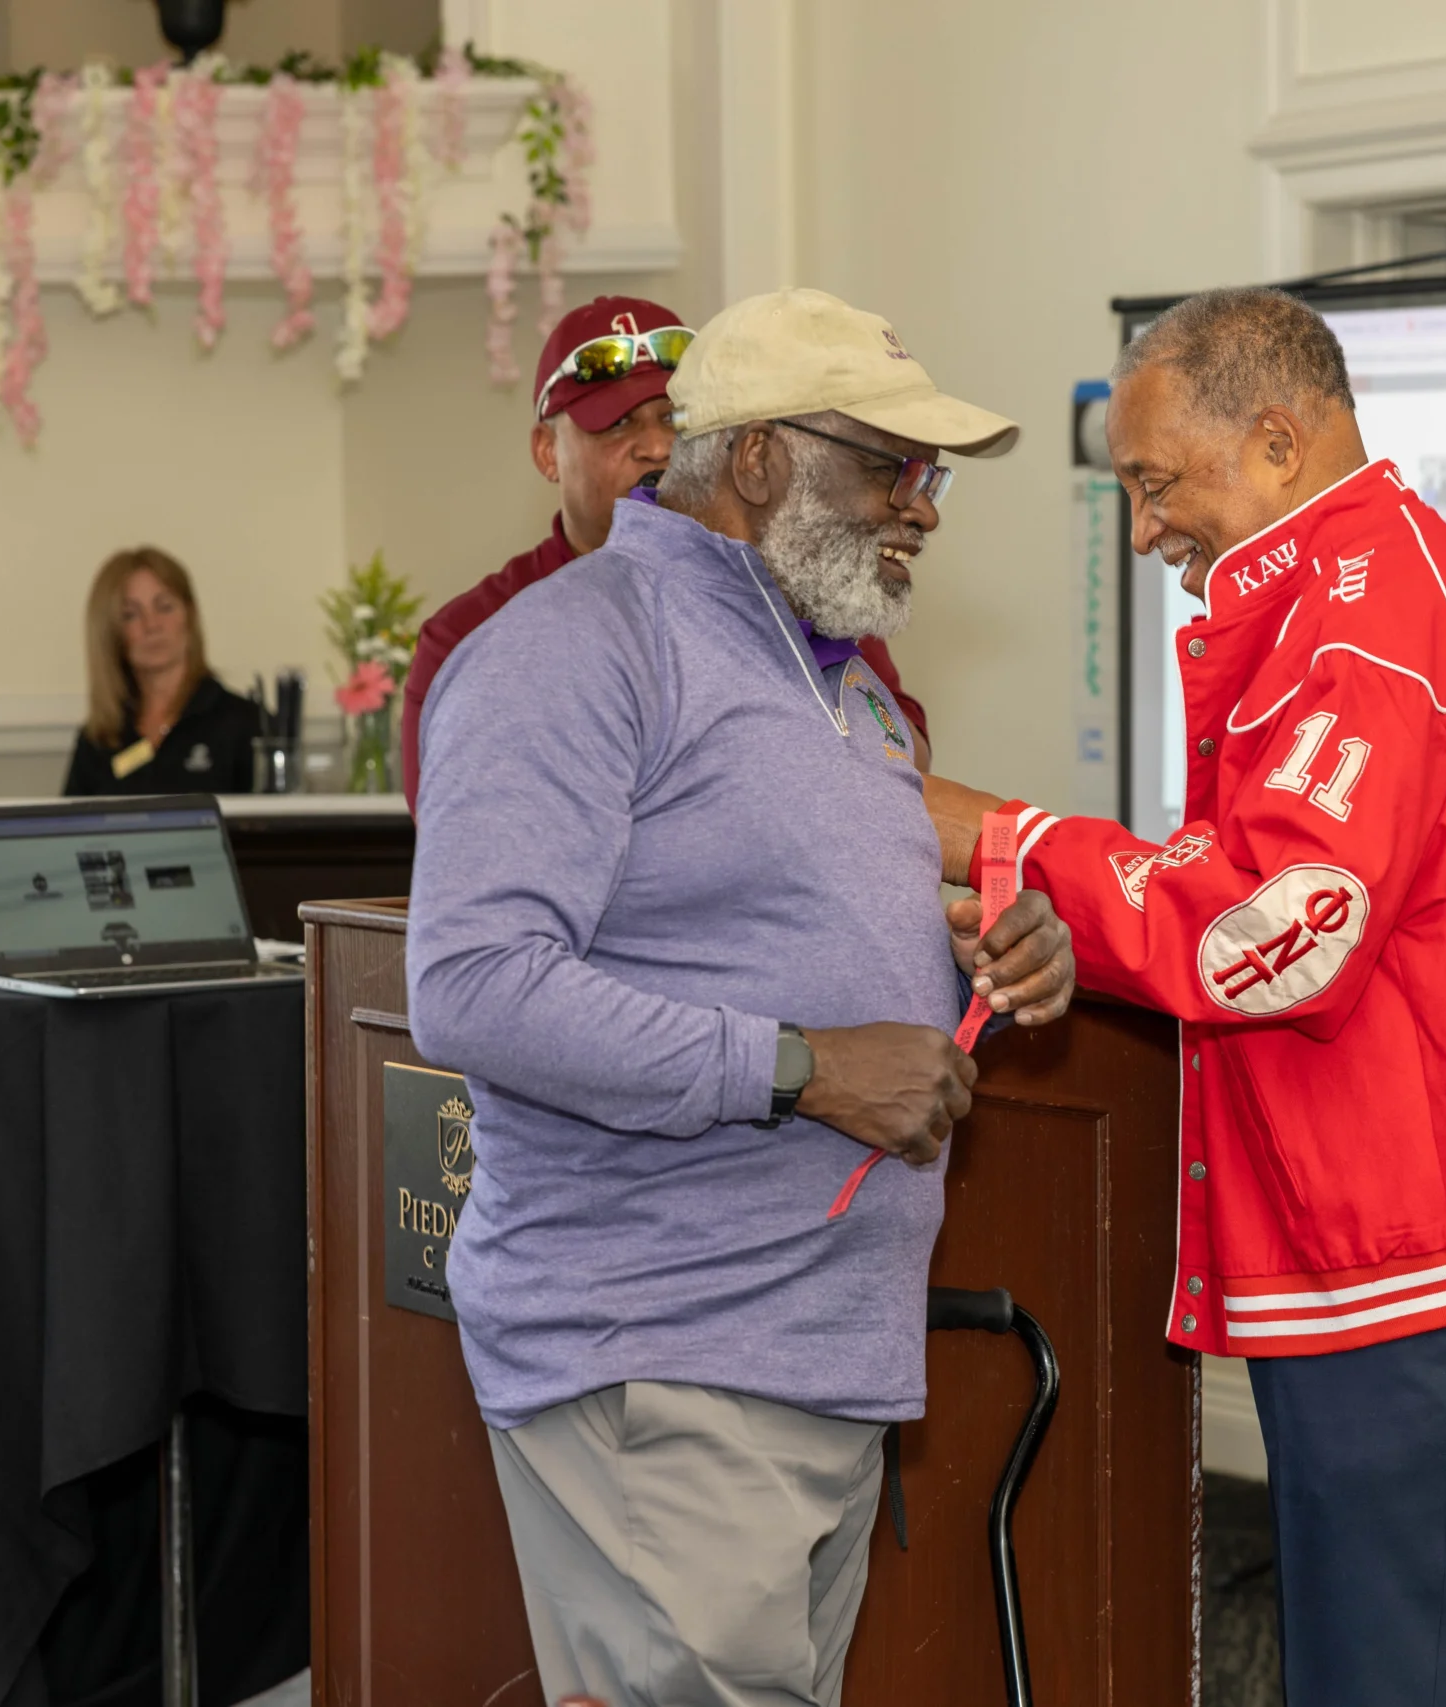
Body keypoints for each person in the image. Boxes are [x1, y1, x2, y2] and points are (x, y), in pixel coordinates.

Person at [922, 287, 1446, 1706]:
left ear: (1276, 443)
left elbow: (1275, 929)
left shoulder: (1364, 628)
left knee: (1403, 1676)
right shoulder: (1375, 580)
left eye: (1156, 482)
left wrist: (997, 836)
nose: (1143, 530)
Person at [405, 288, 1074, 1707]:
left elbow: (761, 925)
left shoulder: (843, 680)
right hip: (662, 1359)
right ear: (760, 458)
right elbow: (472, 985)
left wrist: (982, 954)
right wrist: (805, 1066)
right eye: (892, 466)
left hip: (812, 1361)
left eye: (931, 474)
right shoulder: (573, 646)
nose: (923, 507)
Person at [399, 295, 936, 810]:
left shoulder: (795, 586)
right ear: (547, 453)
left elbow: (904, 765)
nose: (657, 447)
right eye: (617, 424)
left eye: (674, 421)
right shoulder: (474, 630)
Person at [63, 546, 260, 796]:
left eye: (165, 607)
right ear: (111, 633)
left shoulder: (244, 724)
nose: (152, 625)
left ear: (189, 616)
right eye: (131, 615)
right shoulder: (99, 739)